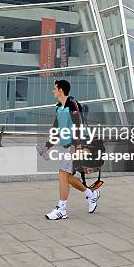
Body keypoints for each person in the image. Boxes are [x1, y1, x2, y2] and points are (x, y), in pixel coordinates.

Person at [40, 79, 100, 220]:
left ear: (61, 90)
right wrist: (47, 146)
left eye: (55, 88)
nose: (53, 91)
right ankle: (91, 195)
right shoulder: (58, 107)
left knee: (62, 174)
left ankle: (62, 209)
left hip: (75, 145)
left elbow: (78, 126)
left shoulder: (72, 104)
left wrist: (76, 146)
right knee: (68, 177)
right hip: (66, 145)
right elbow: (56, 129)